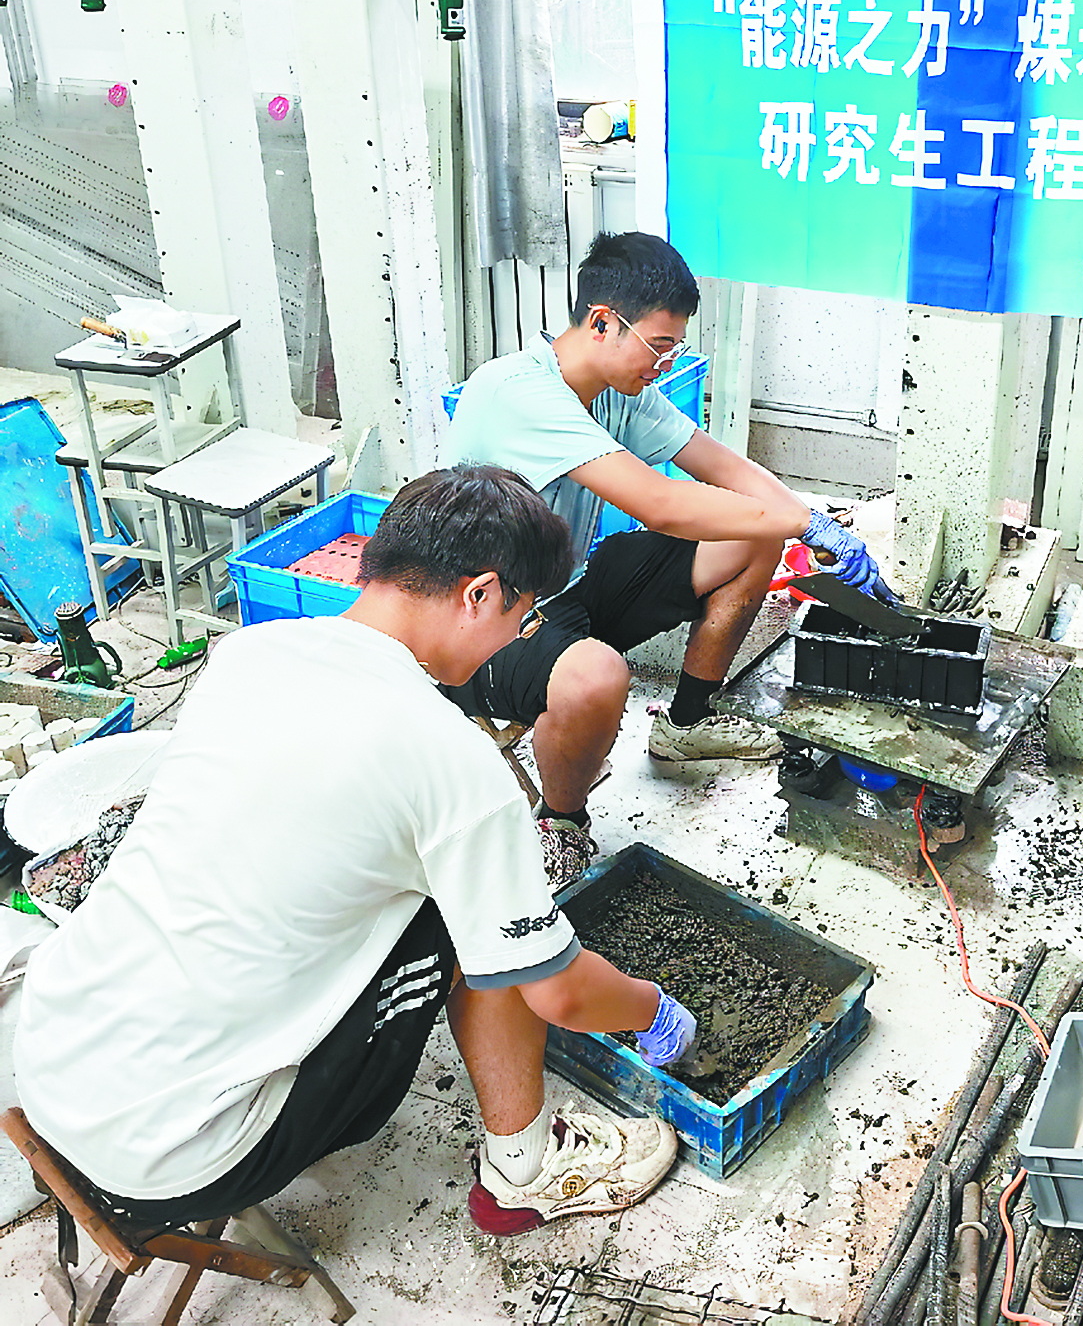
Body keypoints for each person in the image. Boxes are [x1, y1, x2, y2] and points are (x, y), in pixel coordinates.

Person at [14, 466, 699, 1239]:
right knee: (479, 920)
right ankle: (524, 1172)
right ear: (479, 594)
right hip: (177, 1158)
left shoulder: (249, 653)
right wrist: (651, 1008)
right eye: (524, 615)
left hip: (52, 1064)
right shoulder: (453, 762)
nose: (519, 637)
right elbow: (559, 994)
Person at [441, 230, 896, 837]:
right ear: (602, 323)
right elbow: (660, 505)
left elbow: (723, 466)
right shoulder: (518, 392)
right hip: (483, 626)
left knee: (752, 537)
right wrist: (805, 524)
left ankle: (686, 723)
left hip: (566, 589)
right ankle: (562, 825)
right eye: (659, 346)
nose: (667, 363)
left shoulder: (619, 391)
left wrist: (817, 523)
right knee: (597, 677)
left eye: (675, 348)